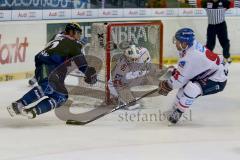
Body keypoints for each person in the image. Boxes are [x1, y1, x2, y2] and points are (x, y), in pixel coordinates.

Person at [7, 22, 97, 119]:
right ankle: (18, 104)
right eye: (78, 33)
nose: (79, 36)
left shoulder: (57, 36)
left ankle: (33, 111)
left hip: (49, 67)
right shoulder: (74, 45)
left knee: (61, 97)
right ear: (71, 32)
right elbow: (82, 65)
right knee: (48, 86)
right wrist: (90, 74)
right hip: (47, 65)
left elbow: (60, 45)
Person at [158, 28, 228, 124]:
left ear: (184, 43)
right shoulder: (190, 46)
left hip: (217, 79)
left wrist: (168, 84)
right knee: (184, 87)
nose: (175, 43)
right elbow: (185, 74)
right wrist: (176, 73)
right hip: (208, 71)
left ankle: (177, 114)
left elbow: (178, 82)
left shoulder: (190, 57)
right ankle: (174, 109)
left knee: (191, 88)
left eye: (177, 41)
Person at [108, 43, 153, 110]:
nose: (134, 61)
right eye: (132, 59)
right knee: (115, 86)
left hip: (135, 74)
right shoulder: (121, 66)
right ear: (126, 57)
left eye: (136, 59)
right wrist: (124, 96)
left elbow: (148, 66)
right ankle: (119, 98)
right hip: (122, 78)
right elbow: (117, 82)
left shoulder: (144, 52)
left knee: (150, 79)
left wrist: (145, 73)